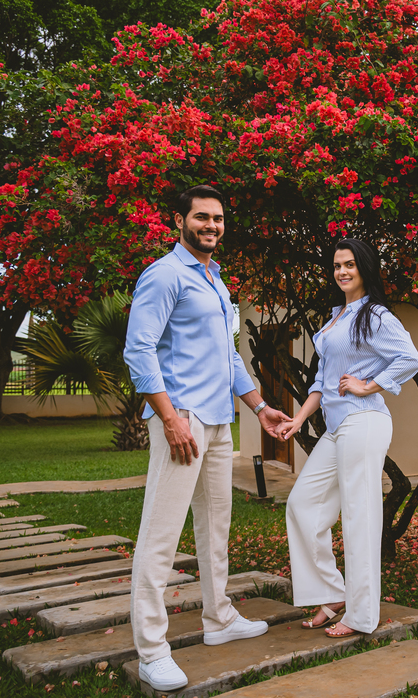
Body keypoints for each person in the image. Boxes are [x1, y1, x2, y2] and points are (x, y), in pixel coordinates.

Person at [124, 184, 292, 692]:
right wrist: (171, 419)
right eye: (202, 218)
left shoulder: (217, 282)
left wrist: (259, 408)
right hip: (184, 421)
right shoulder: (165, 275)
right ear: (181, 220)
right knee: (161, 534)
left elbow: (229, 357)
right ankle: (152, 650)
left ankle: (218, 618)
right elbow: (139, 350)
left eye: (218, 219)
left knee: (216, 523)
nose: (211, 226)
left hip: (220, 422)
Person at [273, 238, 418, 638]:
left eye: (350, 264)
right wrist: (298, 420)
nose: (342, 271)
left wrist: (370, 384)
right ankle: (332, 594)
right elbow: (322, 381)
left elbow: (410, 358)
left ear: (365, 268)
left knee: (360, 516)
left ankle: (360, 614)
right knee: (303, 505)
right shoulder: (337, 316)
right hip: (338, 427)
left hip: (365, 421)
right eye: (337, 264)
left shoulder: (374, 315)